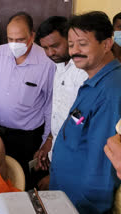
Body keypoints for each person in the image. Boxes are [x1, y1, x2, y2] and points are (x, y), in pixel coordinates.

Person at [49, 11, 121, 213]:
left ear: (106, 44)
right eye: (71, 45)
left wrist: (88, 206)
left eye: (82, 43)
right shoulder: (93, 84)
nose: (75, 51)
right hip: (67, 196)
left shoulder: (111, 91)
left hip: (82, 204)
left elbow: (102, 161)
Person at [0, 11, 56, 189]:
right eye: (10, 39)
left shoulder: (47, 62)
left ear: (32, 36)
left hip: (25, 139)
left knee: (22, 183)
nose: (14, 44)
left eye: (20, 39)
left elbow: (50, 105)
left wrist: (46, 142)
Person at [33, 16, 88, 190]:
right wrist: (50, 140)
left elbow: (81, 122)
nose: (50, 53)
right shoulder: (58, 66)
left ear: (70, 39)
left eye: (55, 46)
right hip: (59, 152)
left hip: (75, 161)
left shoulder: (82, 71)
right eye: (45, 48)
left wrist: (58, 175)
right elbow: (62, 110)